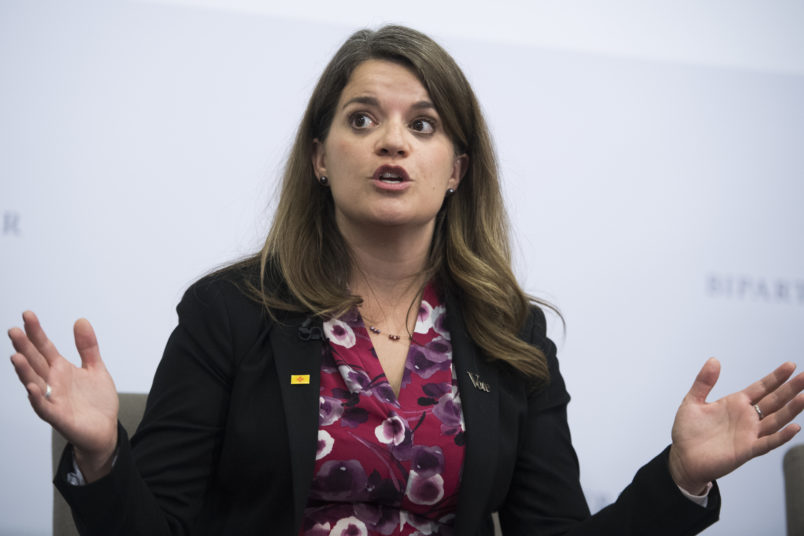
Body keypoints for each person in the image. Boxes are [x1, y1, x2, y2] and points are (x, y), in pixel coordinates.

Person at [8, 25, 804, 536]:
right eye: (362, 119)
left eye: (422, 125)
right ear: (320, 157)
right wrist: (107, 457)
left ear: (456, 169)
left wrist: (679, 480)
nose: (393, 142)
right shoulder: (229, 313)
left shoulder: (508, 334)